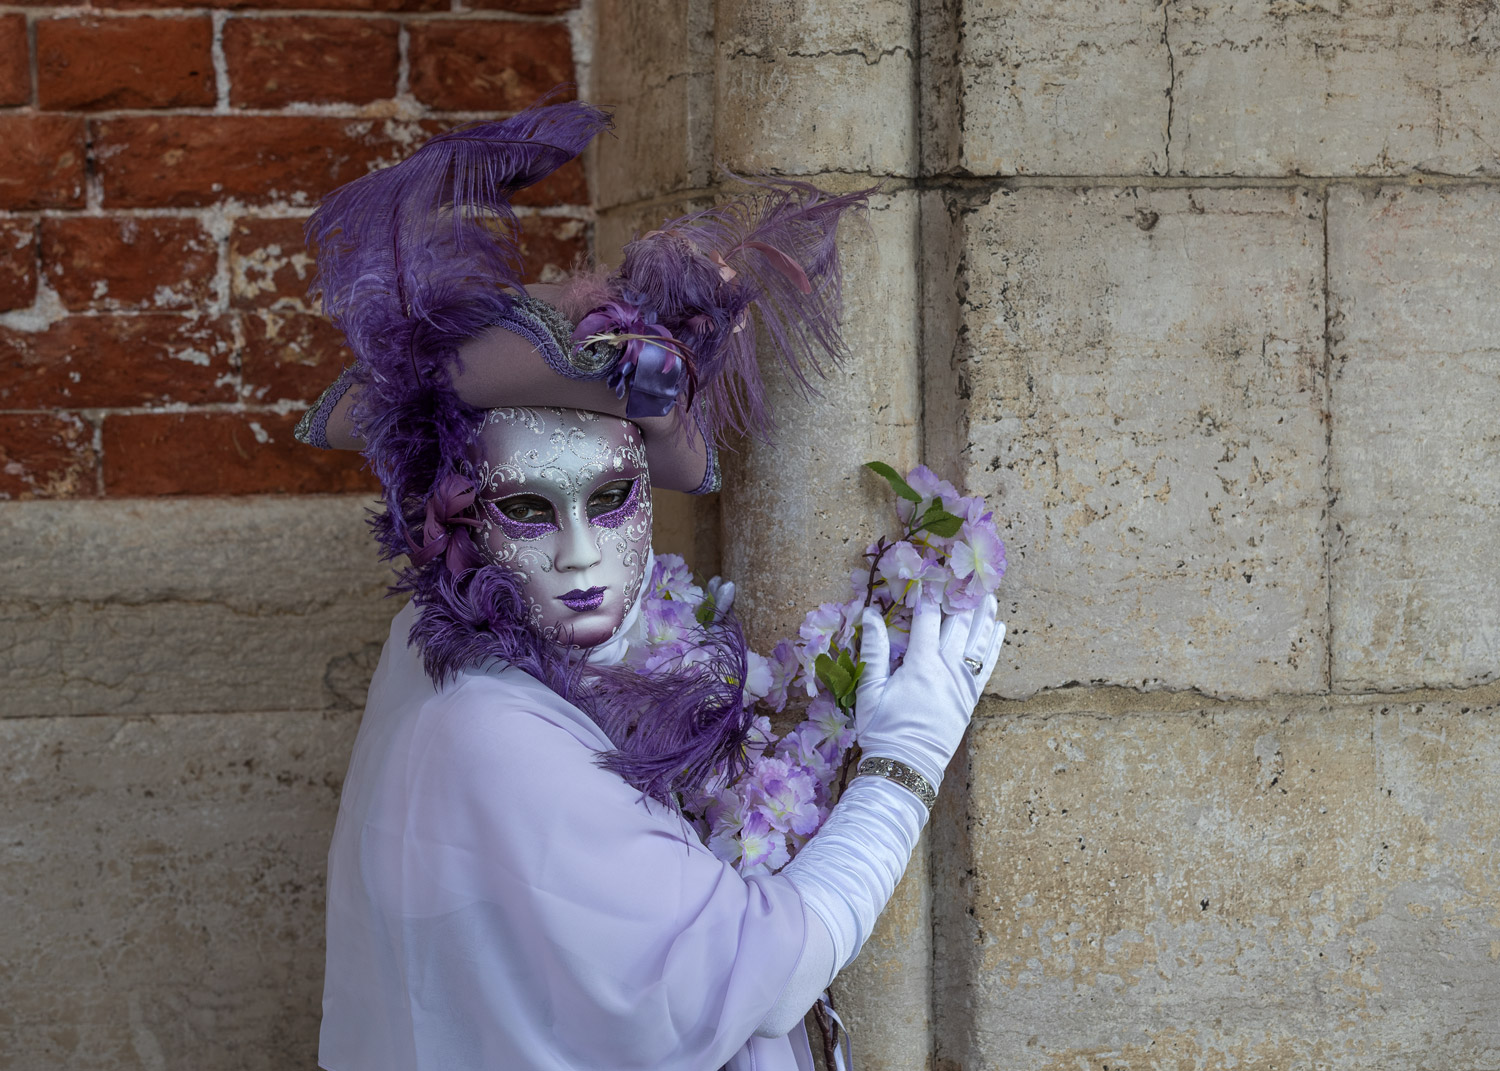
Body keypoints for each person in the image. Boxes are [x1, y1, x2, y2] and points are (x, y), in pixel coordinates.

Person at [297, 99, 1005, 1071]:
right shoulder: (491, 735)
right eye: (528, 511)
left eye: (614, 498)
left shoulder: (490, 669)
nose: (585, 559)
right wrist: (903, 764)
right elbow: (762, 967)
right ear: (456, 520)